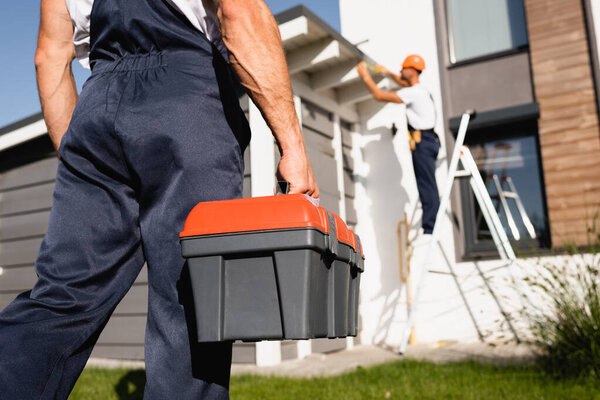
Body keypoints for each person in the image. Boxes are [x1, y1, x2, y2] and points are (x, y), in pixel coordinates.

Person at [0, 0, 319, 398]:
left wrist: (85, 163)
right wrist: (292, 145)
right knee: (192, 303)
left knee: (59, 300)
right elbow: (239, 12)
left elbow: (49, 56)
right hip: (186, 97)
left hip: (97, 108)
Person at [357, 55, 440, 235]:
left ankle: (430, 227)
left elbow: (379, 96)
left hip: (422, 143)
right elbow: (403, 83)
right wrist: (386, 72)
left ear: (411, 71)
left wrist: (365, 76)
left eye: (403, 69)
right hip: (430, 141)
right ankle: (431, 223)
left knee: (426, 184)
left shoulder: (413, 93)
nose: (401, 72)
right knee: (429, 183)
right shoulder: (420, 91)